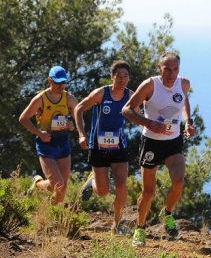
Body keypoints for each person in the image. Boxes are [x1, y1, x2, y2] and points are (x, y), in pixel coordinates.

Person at [121, 51, 196, 247]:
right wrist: (148, 123)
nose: (171, 73)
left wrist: (188, 121)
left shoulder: (184, 83)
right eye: (167, 69)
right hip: (152, 142)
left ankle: (167, 213)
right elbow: (127, 109)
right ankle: (140, 228)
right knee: (148, 192)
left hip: (173, 141)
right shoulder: (150, 85)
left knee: (179, 181)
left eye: (175, 69)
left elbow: (184, 100)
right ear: (159, 68)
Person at [75, 60, 139, 233]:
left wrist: (152, 132)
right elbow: (79, 109)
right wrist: (81, 134)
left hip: (119, 147)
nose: (122, 79)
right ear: (112, 76)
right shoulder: (100, 94)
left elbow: (140, 118)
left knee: (121, 185)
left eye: (126, 76)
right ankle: (93, 181)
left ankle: (117, 224)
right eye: (119, 75)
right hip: (98, 147)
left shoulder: (130, 96)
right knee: (103, 192)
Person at [19, 66, 78, 206]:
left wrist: (73, 125)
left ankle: (53, 215)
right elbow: (23, 118)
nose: (61, 85)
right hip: (46, 143)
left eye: (63, 82)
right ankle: (38, 184)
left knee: (62, 187)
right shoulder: (40, 99)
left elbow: (78, 116)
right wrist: (39, 133)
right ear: (49, 80)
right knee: (57, 184)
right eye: (58, 82)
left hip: (63, 142)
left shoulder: (69, 98)